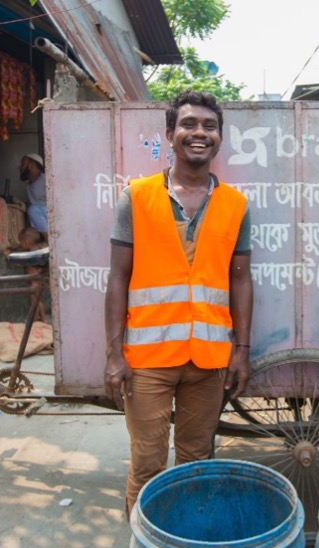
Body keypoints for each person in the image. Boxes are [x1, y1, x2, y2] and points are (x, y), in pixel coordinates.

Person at [104, 89, 254, 518]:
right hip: (148, 360)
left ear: (219, 138)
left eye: (209, 126)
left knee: (195, 461)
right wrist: (114, 355)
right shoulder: (136, 197)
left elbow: (241, 281)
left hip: (208, 361)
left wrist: (241, 351)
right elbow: (117, 278)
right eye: (188, 124)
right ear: (170, 135)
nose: (199, 133)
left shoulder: (235, 205)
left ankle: (183, 544)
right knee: (148, 463)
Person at [20, 153, 48, 243]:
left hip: (53, 219)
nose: (19, 167)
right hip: (43, 219)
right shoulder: (28, 186)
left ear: (31, 165)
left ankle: (49, 241)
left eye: (23, 164)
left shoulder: (46, 180)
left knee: (33, 210)